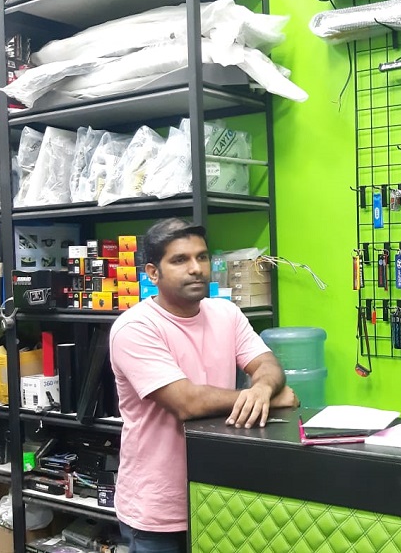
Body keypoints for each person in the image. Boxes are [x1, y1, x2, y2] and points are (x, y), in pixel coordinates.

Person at [110, 219, 298, 553]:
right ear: (153, 273)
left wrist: (262, 390)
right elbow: (187, 402)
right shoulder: (135, 327)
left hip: (218, 495)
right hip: (158, 510)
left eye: (202, 257)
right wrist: (270, 398)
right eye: (180, 260)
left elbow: (267, 364)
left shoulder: (226, 313)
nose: (196, 268)